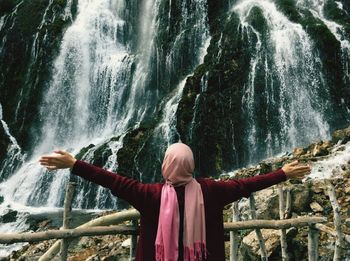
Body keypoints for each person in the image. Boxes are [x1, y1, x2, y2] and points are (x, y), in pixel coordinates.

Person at [39, 143, 311, 261]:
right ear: (191, 165)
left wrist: (74, 164)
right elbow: (247, 185)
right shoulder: (212, 191)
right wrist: (283, 173)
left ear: (166, 166)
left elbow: (111, 180)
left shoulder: (148, 195)